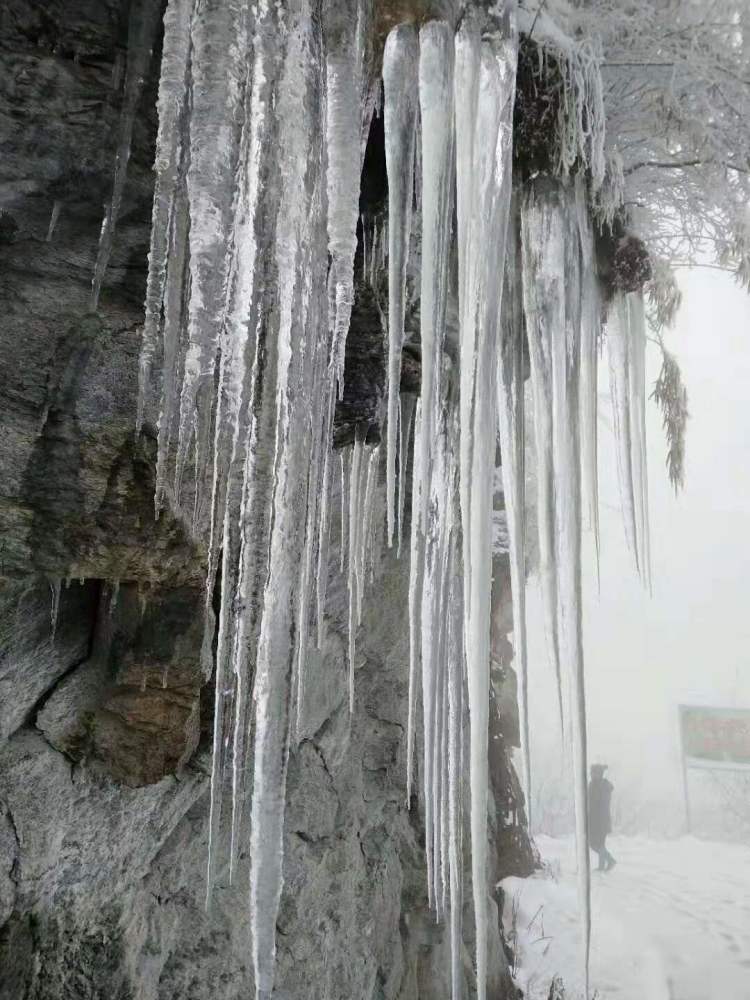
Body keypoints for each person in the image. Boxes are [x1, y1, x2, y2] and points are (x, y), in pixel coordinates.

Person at [588, 763, 616, 871]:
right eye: (591, 773)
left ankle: (610, 861)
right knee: (599, 844)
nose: (591, 775)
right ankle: (602, 866)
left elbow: (599, 804)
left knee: (596, 844)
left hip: (600, 820)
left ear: (599, 774)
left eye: (593, 773)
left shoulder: (602, 786)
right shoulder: (595, 784)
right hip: (596, 820)